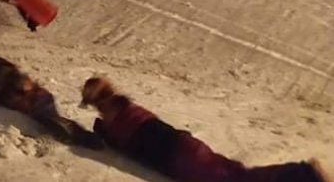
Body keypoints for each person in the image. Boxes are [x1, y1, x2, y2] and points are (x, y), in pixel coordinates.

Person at [80, 76, 331, 182]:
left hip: (180, 154)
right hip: (182, 151)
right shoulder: (123, 113)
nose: (97, 109)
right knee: (237, 177)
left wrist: (102, 130)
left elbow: (126, 140)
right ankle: (303, 175)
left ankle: (305, 173)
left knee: (237, 179)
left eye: (94, 102)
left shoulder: (120, 113)